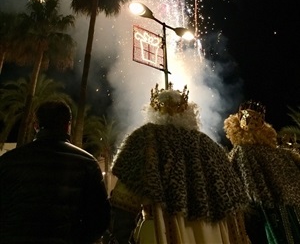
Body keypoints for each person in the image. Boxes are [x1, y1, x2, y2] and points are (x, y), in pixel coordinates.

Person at [109, 83, 251, 244]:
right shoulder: (210, 146)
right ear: (188, 112)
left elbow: (124, 203)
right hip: (213, 235)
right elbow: (235, 206)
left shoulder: (146, 140)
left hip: (161, 232)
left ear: (152, 111)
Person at [0, 100, 111, 244]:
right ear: (68, 126)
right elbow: (100, 219)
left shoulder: (9, 161)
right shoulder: (87, 163)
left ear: (36, 126)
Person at [224, 99, 300, 244]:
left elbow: (238, 183)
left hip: (266, 212)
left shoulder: (242, 151)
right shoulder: (279, 152)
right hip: (288, 209)